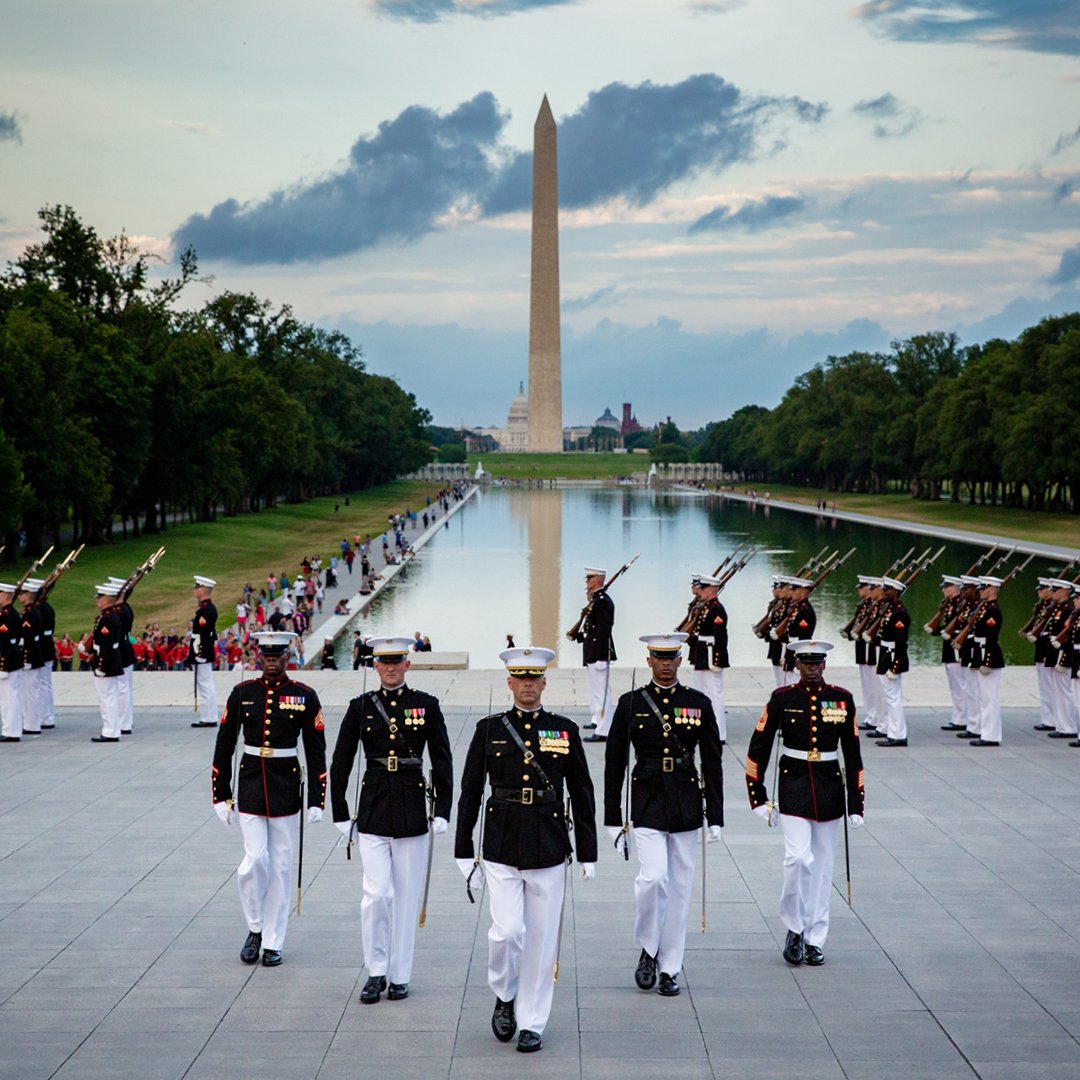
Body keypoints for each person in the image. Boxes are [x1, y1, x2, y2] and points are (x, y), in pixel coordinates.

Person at [455, 646, 596, 1053]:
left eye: (535, 678)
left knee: (541, 939)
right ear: (510, 683)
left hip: (549, 845)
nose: (528, 685)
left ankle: (533, 1020)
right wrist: (464, 848)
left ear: (544, 682)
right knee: (507, 932)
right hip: (500, 843)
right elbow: (470, 792)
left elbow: (582, 791)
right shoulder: (489, 729)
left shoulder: (563, 729)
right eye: (521, 678)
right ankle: (505, 993)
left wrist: (587, 851)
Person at [330, 636, 453, 1004]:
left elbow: (443, 760)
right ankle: (376, 969)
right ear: (374, 666)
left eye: (396, 661)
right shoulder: (361, 707)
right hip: (373, 806)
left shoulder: (425, 705)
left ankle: (400, 974)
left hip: (413, 808)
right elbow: (342, 760)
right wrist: (339, 810)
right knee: (376, 895)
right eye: (383, 662)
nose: (390, 668)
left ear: (407, 664)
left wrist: (444, 809)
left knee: (405, 897)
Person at [603, 633, 723, 997]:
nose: (666, 663)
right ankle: (648, 946)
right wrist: (612, 816)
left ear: (681, 660)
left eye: (672, 657)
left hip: (686, 801)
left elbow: (713, 762)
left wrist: (715, 815)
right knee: (654, 879)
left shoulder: (697, 703)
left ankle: (670, 966)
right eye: (660, 657)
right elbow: (614, 762)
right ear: (649, 661)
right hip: (648, 800)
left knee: (681, 889)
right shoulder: (631, 703)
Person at [745, 640, 864, 966]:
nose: (812, 668)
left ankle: (814, 938)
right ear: (797, 665)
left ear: (824, 665)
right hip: (794, 784)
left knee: (823, 868)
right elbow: (759, 747)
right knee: (797, 858)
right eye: (806, 663)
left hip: (828, 788)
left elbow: (853, 755)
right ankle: (794, 927)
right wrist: (758, 797)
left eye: (817, 662)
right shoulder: (783, 698)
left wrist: (856, 804)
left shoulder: (842, 699)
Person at [211, 631, 326, 967]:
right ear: (259, 657)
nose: (272, 660)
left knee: (281, 866)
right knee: (255, 860)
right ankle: (255, 926)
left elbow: (315, 750)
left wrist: (317, 798)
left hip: (285, 786)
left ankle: (274, 940)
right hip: (248, 783)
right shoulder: (242, 693)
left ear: (287, 657)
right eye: (267, 654)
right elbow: (224, 744)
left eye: (278, 654)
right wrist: (221, 794)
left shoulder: (303, 696)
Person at [685, 573, 729, 742]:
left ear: (712, 590)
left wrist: (717, 660)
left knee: (714, 694)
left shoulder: (717, 609)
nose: (700, 591)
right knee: (701, 693)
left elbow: (720, 637)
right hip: (702, 653)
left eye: (703, 588)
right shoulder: (705, 606)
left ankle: (719, 733)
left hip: (711, 656)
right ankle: (704, 729)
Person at [576, 567, 617, 743]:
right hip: (592, 652)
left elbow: (604, 631)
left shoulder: (603, 602)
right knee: (595, 691)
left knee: (602, 692)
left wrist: (602, 657)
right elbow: (591, 629)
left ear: (599, 580)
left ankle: (604, 729)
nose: (587, 581)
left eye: (590, 578)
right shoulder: (597, 600)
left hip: (598, 653)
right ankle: (597, 720)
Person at [870, 577, 909, 747]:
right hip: (886, 654)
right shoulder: (891, 609)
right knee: (889, 697)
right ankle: (891, 731)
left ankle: (898, 734)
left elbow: (901, 642)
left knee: (893, 698)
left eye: (887, 590)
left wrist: (896, 665)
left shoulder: (899, 612)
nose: (883, 592)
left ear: (895, 592)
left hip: (892, 657)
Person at [90, 582, 126, 743]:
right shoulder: (109, 616)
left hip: (107, 662)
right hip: (110, 660)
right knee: (108, 697)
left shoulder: (107, 619)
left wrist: (101, 666)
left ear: (107, 599)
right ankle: (111, 729)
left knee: (107, 698)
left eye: (100, 597)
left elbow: (106, 645)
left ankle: (110, 731)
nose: (97, 600)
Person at [932, 575, 968, 734]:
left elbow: (961, 627)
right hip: (949, 647)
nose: (943, 589)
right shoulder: (950, 604)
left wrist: (944, 630)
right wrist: (937, 630)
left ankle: (962, 718)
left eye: (946, 587)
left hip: (957, 648)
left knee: (960, 684)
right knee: (955, 685)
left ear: (955, 588)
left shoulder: (961, 604)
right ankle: (959, 716)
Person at [190, 575, 219, 729]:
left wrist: (200, 654)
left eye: (197, 587)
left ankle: (209, 717)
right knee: (205, 683)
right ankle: (208, 716)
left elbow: (204, 635)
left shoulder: (206, 611)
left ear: (202, 590)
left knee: (205, 683)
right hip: (202, 650)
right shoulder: (206, 608)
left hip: (202, 652)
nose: (195, 590)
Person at [0, 580, 24, 743]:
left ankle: (12, 730)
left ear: (5, 596)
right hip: (12, 659)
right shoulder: (8, 613)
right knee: (8, 697)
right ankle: (10, 728)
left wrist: (3, 665)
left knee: (9, 697)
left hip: (8, 661)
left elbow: (5, 642)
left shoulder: (7, 616)